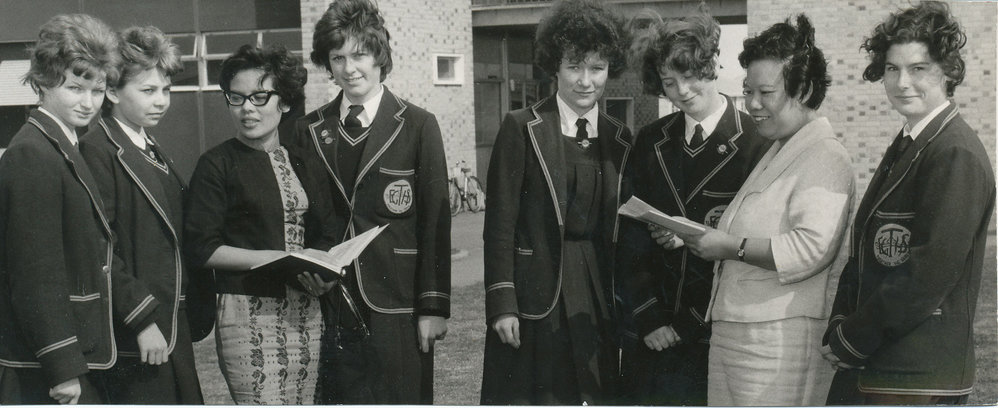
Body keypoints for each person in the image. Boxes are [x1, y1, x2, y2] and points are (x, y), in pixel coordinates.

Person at [669, 14, 855, 406]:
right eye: (747, 90)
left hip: (777, 342)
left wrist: (729, 246)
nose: (752, 104)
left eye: (765, 92)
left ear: (802, 89)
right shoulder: (778, 149)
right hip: (740, 334)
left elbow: (810, 250)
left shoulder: (825, 156)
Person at [822, 2, 995, 405]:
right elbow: (867, 250)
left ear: (948, 71)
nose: (902, 83)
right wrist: (839, 324)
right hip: (883, 367)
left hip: (917, 376)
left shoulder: (954, 153)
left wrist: (852, 338)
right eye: (891, 69)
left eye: (918, 69)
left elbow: (927, 275)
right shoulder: (911, 142)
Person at [293, 0, 451, 403]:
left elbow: (435, 222)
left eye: (359, 54)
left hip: (397, 305)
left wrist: (433, 307)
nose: (349, 68)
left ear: (380, 56)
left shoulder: (418, 125)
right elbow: (306, 217)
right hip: (333, 306)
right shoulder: (309, 130)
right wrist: (308, 268)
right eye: (337, 57)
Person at [480, 0, 631, 404]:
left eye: (596, 68)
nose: (585, 81)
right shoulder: (520, 128)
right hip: (536, 295)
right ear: (554, 66)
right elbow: (498, 226)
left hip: (599, 294)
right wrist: (502, 303)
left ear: (609, 69)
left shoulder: (621, 138)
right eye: (573, 67)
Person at [616, 8, 768, 405]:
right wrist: (649, 317)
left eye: (690, 75)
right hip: (654, 331)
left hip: (719, 329)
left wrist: (689, 322)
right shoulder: (649, 140)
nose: (682, 90)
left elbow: (755, 239)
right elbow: (629, 235)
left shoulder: (756, 142)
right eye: (669, 82)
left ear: (712, 65)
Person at [183, 44, 339, 404]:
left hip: (307, 312)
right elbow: (202, 247)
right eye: (236, 98)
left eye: (258, 97)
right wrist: (274, 256)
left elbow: (327, 234)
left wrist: (322, 274)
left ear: (283, 101)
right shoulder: (215, 164)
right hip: (246, 314)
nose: (247, 109)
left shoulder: (305, 162)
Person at [77, 25, 204, 404]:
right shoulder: (98, 149)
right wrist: (142, 318)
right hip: (136, 330)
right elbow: (99, 247)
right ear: (112, 92)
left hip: (170, 321)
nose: (162, 101)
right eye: (148, 91)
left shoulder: (148, 145)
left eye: (166, 90)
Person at [0, 13, 119, 404]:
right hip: (45, 365)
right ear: (44, 81)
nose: (88, 102)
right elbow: (36, 273)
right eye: (75, 87)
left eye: (97, 90)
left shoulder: (62, 144)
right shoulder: (32, 152)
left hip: (70, 350)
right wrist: (63, 368)